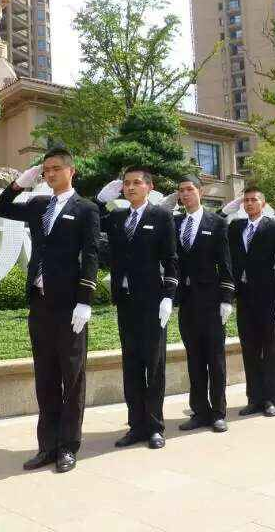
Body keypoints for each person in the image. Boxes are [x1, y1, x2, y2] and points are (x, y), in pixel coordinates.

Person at [0, 148, 100, 473]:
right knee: (46, 377)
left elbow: (91, 255)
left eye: (56, 168)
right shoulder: (39, 204)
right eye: (45, 170)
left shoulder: (86, 209)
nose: (49, 174)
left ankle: (68, 446)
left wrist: (85, 300)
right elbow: (0, 208)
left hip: (70, 306)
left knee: (72, 377)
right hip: (40, 304)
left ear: (71, 170)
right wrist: (18, 184)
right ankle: (47, 446)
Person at [98, 167, 178, 449]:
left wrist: (169, 296)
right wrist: (100, 199)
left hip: (153, 301)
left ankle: (155, 426)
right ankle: (136, 425)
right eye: (126, 184)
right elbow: (93, 220)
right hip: (126, 300)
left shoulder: (161, 216)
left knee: (154, 365)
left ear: (149, 187)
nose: (130, 187)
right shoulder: (118, 217)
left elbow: (171, 259)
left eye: (136, 183)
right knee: (131, 364)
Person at [172, 175, 235, 433]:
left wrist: (227, 298)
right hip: (186, 301)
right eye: (181, 190)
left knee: (215, 359)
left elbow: (226, 262)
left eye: (189, 189)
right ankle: (199, 411)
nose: (185, 194)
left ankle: (218, 412)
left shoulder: (216, 223)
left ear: (200, 191)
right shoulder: (175, 223)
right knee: (194, 358)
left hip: (211, 301)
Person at [227, 187, 275, 417]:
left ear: (263, 204)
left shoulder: (274, 228)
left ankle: (270, 399)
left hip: (268, 295)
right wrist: (226, 211)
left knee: (270, 348)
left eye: (254, 200)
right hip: (244, 296)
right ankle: (254, 398)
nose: (249, 203)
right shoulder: (236, 227)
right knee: (249, 348)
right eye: (246, 200)